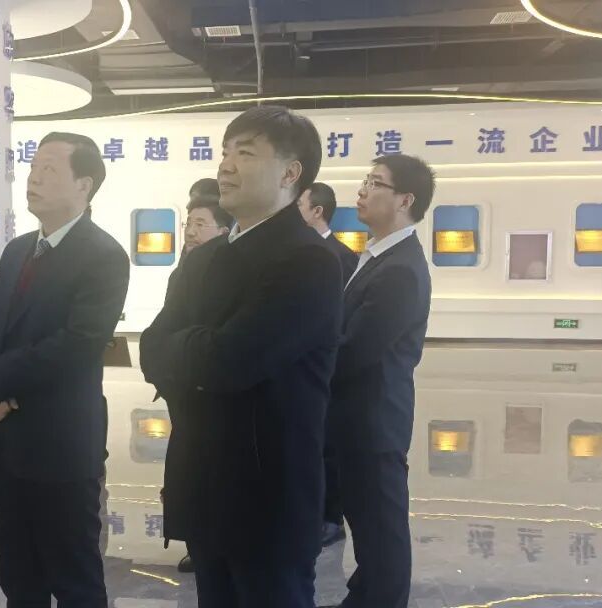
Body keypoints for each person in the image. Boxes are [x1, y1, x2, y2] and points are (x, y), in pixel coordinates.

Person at [141, 105, 342, 607]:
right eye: (225, 152)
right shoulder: (205, 257)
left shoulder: (308, 260)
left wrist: (190, 350)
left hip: (268, 493)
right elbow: (150, 349)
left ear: (291, 173)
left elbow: (232, 361)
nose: (226, 166)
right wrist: (201, 349)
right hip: (203, 479)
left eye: (246, 153)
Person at [0, 131, 130, 607]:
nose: (33, 179)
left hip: (61, 445)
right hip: (7, 439)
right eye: (33, 168)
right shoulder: (18, 249)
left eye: (49, 170)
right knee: (19, 579)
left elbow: (77, 345)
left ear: (84, 185)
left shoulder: (104, 256)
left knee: (75, 580)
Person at [327, 155, 435, 608]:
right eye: (365, 181)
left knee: (381, 526)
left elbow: (356, 349)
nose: (362, 191)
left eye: (375, 183)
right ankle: (365, 595)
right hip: (358, 415)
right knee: (369, 522)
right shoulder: (378, 256)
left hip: (372, 418)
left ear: (405, 200)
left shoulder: (399, 269)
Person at [170, 184, 233, 574]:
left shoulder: (230, 275)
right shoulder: (184, 269)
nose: (191, 232)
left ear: (223, 231)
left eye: (200, 224)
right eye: (188, 224)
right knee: (186, 468)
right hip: (181, 387)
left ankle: (211, 542)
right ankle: (195, 539)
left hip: (208, 389)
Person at [298, 181, 358, 550]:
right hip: (299, 364)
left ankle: (331, 519)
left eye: (300, 205)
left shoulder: (342, 257)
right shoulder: (296, 252)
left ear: (317, 211)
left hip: (327, 365)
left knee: (328, 446)